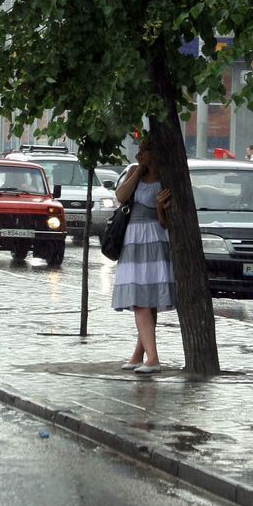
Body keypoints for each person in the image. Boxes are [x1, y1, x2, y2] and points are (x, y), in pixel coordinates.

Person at [111, 141, 174, 374]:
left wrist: (159, 207)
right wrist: (137, 171)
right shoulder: (134, 172)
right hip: (132, 239)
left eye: (144, 150)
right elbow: (120, 196)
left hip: (153, 238)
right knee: (142, 299)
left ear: (154, 153)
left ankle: (153, 359)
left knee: (143, 300)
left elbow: (165, 221)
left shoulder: (164, 180)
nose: (138, 154)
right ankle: (140, 355)